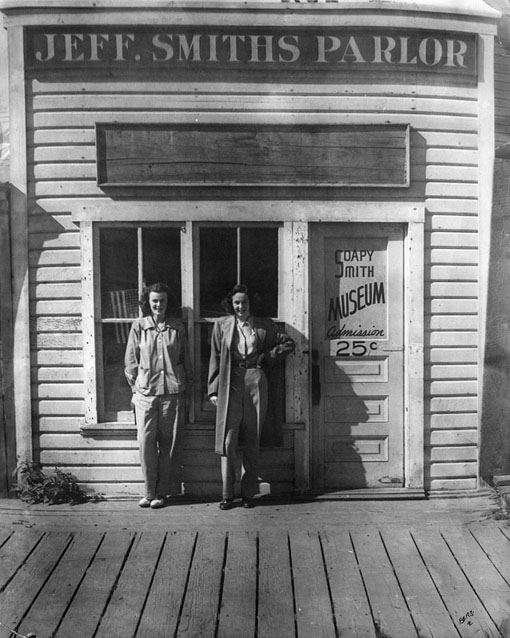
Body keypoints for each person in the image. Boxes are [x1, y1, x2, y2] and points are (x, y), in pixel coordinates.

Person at [208, 284, 295, 510]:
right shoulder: (222, 325)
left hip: (256, 379)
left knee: (252, 437)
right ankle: (227, 495)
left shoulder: (264, 325)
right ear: (231, 304)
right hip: (230, 382)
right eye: (236, 303)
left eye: (244, 302)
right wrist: (214, 390)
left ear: (250, 304)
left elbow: (288, 343)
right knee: (228, 439)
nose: (240, 307)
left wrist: (267, 356)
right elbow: (215, 358)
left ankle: (248, 494)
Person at [124, 283, 193, 509]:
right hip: (145, 394)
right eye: (154, 300)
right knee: (146, 443)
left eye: (162, 300)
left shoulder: (177, 327)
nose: (158, 304)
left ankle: (161, 493)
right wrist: (136, 387)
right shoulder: (139, 326)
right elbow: (130, 361)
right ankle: (148, 491)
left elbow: (185, 359)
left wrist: (184, 384)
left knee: (168, 445)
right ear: (148, 302)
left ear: (167, 302)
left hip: (172, 394)